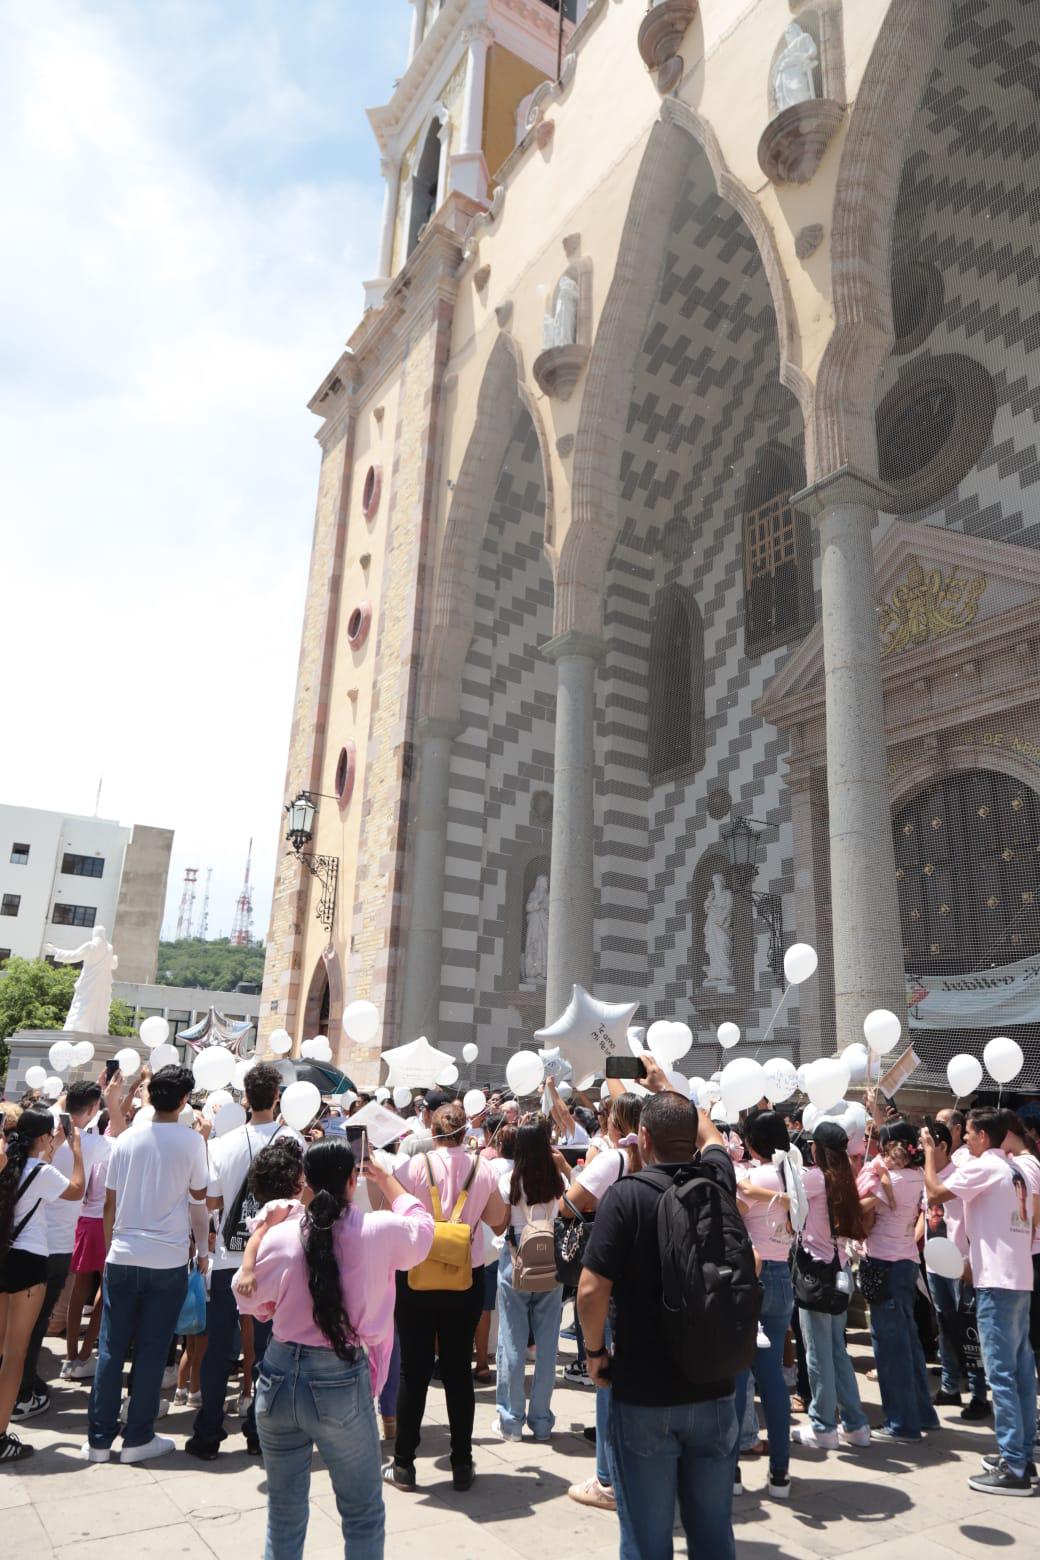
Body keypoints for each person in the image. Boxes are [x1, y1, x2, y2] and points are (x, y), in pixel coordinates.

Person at [234, 1139, 434, 1560]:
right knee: (362, 1513)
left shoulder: (283, 1235)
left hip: (279, 1372)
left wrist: (271, 1301)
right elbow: (422, 1229)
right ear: (352, 1180)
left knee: (283, 1513)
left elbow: (246, 1298)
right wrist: (385, 1176)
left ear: (305, 1181)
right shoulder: (377, 1230)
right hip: (339, 1378)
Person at [579, 1089, 741, 1560]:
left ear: (643, 1137)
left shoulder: (627, 1195)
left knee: (647, 1541)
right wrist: (672, 1090)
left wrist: (594, 1353)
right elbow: (712, 1137)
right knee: (713, 1534)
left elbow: (590, 1290)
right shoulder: (718, 1180)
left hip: (645, 1390)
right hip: (714, 1383)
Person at [86, 1064, 210, 1464]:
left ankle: (99, 1439)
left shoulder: (125, 1140)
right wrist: (202, 1251)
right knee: (153, 1349)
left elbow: (108, 1203)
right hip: (166, 1259)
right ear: (184, 1100)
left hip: (123, 1253)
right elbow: (198, 1204)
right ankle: (137, 1436)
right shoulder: (192, 1142)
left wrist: (111, 1249)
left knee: (111, 1349)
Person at [384, 1101, 508, 1492]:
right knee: (457, 1371)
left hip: (416, 1275)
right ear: (464, 1132)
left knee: (413, 1370)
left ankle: (404, 1464)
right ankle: (461, 1462)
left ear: (432, 1131)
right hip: (465, 1278)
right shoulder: (483, 1168)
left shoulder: (413, 1166)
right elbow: (499, 1221)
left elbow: (388, 1208)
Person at [186, 1062, 301, 1461]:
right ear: (277, 1097)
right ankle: (259, 1431)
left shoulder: (225, 1143)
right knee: (270, 1350)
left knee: (219, 1349)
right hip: (276, 1257)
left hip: (227, 1259)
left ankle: (208, 1433)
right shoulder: (293, 1140)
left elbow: (212, 1200)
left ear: (246, 1099)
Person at [923, 1109, 1037, 1495]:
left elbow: (935, 1192)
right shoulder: (1015, 1168)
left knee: (1002, 1375)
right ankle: (1021, 1456)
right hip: (1017, 1279)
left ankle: (1014, 1465)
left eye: (969, 1134)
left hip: (996, 1283)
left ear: (984, 1136)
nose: (965, 1140)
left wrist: (929, 1152)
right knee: (1020, 1373)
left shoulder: (985, 1166)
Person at [19, 1075, 122, 1411]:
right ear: (92, 1109)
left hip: (23, 1240)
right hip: (55, 1245)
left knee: (21, 1322)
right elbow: (121, 1135)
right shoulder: (88, 1144)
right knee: (35, 1321)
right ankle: (23, 1389)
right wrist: (112, 1098)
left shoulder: (39, 1134)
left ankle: (21, 1381)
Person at [563, 1091, 643, 1510]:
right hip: (649, 1275)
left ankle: (607, 1478)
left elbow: (570, 1205)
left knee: (607, 1375)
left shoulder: (615, 1159)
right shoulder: (655, 1157)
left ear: (616, 1121)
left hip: (613, 1271)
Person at [0, 1110, 84, 1461]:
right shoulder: (42, 1172)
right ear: (43, 1137)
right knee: (14, 1356)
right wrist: (76, 1151)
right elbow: (76, 1190)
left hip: (4, 1256)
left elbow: (33, 1171)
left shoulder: (7, 1164)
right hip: (29, 1262)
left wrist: (51, 1147)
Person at [789, 1121, 870, 1450]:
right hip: (840, 1273)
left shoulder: (814, 1178)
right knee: (837, 1352)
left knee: (817, 1354)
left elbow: (789, 1202)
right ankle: (855, 1424)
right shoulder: (846, 1179)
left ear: (817, 1149)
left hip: (817, 1276)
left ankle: (823, 1426)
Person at [857, 1121, 939, 1443]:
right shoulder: (916, 1175)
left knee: (890, 1348)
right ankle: (922, 1413)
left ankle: (901, 1423)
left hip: (885, 1263)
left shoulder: (893, 1179)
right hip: (905, 1261)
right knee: (909, 1342)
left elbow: (860, 1207)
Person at [734, 1109, 801, 1498]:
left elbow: (730, 1216)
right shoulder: (792, 1174)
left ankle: (731, 1472)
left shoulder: (758, 1177)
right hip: (781, 1276)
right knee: (772, 1377)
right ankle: (780, 1473)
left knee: (737, 1374)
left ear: (753, 1142)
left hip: (753, 1276)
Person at [494, 1120, 568, 1441]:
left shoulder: (509, 1181)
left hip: (516, 1261)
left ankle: (511, 1421)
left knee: (512, 1341)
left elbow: (499, 1226)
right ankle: (541, 1421)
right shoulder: (558, 1180)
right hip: (550, 1262)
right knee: (548, 1346)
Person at [917, 1121, 989, 1420]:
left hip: (959, 1264)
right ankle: (949, 1386)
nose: (922, 1149)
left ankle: (979, 1394)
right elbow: (925, 1212)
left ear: (943, 1146)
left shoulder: (959, 1174)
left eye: (928, 1144)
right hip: (935, 1264)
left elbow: (941, 1200)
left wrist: (971, 1260)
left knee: (968, 1329)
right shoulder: (928, 1175)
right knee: (944, 1325)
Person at [398, 1089, 453, 1158]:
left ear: (426, 1113)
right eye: (416, 1105)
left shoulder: (411, 1143)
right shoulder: (460, 1140)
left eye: (422, 1108)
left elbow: (398, 1164)